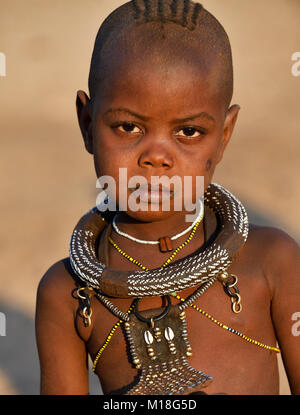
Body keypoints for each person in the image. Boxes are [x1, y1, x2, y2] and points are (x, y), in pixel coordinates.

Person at [35, 0, 300, 395]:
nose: (157, 156)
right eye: (127, 126)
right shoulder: (68, 291)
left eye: (189, 132)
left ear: (224, 135)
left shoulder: (272, 261)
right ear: (88, 124)